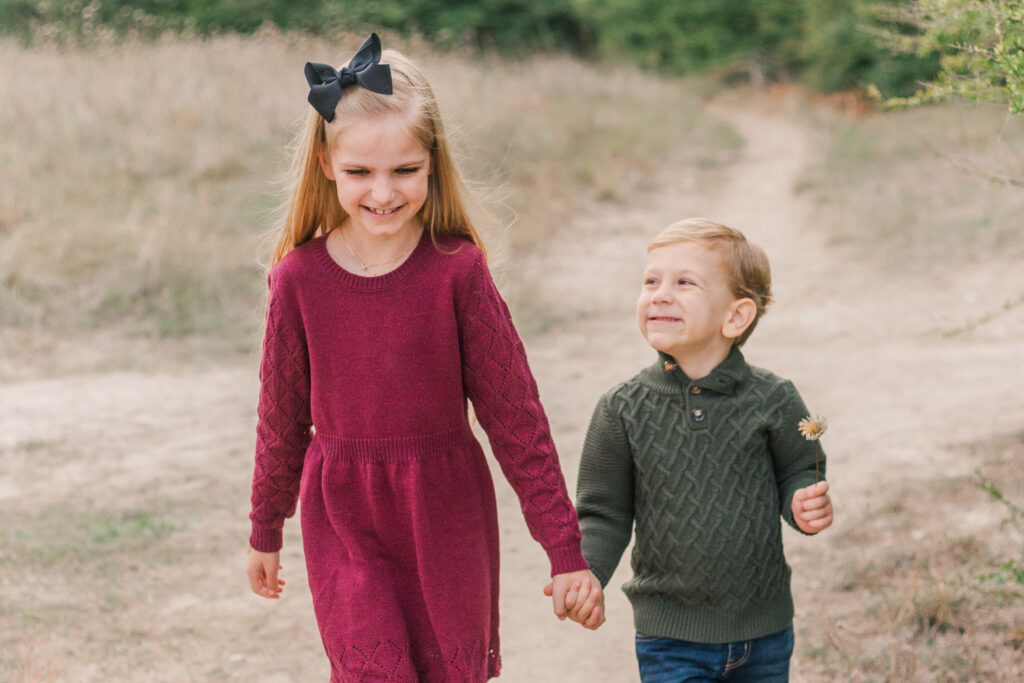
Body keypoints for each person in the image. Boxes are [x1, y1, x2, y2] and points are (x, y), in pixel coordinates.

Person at [244, 33, 600, 682]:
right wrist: (265, 526)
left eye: (404, 169)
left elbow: (516, 419)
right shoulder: (298, 280)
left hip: (446, 517)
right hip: (344, 516)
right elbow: (280, 420)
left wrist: (564, 548)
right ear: (327, 165)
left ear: (432, 163)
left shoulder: (457, 270)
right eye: (360, 172)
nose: (383, 192)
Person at [564, 218, 834, 681]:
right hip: (670, 636)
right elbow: (602, 512)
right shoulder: (621, 409)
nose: (660, 294)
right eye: (651, 281)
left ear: (736, 317)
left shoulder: (774, 398)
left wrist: (804, 502)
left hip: (764, 630)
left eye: (683, 283)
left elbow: (798, 469)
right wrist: (586, 572)